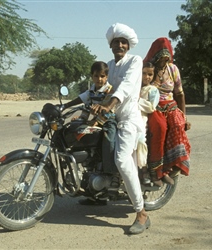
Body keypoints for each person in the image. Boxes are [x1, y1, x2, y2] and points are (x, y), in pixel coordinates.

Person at [91, 23, 150, 235]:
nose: (120, 45)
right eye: (117, 42)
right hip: (111, 118)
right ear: (111, 45)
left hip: (128, 119)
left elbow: (125, 87)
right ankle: (94, 193)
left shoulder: (135, 61)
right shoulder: (109, 65)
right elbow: (101, 88)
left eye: (124, 42)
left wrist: (108, 104)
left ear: (128, 45)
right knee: (91, 146)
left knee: (122, 161)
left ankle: (141, 213)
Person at [143, 37, 191, 186]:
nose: (163, 62)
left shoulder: (173, 69)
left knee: (178, 125)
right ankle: (156, 170)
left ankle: (170, 166)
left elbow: (180, 93)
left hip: (170, 105)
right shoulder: (148, 68)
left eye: (166, 59)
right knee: (160, 128)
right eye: (161, 59)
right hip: (153, 105)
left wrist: (184, 116)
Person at [63, 61, 118, 179]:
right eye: (96, 76)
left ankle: (111, 172)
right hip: (95, 120)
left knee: (109, 138)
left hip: (108, 120)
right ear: (92, 76)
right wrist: (79, 115)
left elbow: (109, 110)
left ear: (106, 76)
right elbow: (85, 103)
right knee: (77, 130)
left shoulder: (109, 90)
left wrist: (97, 121)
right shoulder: (91, 90)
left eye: (102, 76)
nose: (99, 79)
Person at [137, 62, 159, 185]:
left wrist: (137, 100)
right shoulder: (135, 87)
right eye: (144, 73)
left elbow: (151, 107)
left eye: (150, 74)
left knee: (140, 141)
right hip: (128, 117)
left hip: (141, 119)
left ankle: (144, 169)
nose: (147, 77)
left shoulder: (153, 90)